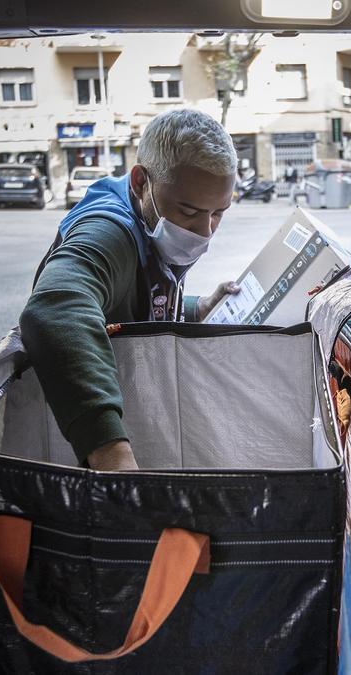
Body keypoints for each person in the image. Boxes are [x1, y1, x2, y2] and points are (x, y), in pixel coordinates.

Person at [19, 109, 239, 471]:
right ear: (140, 183)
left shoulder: (150, 218)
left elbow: (131, 300)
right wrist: (111, 454)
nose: (205, 231)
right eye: (188, 211)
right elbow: (55, 310)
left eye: (218, 213)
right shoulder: (107, 232)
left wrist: (195, 308)